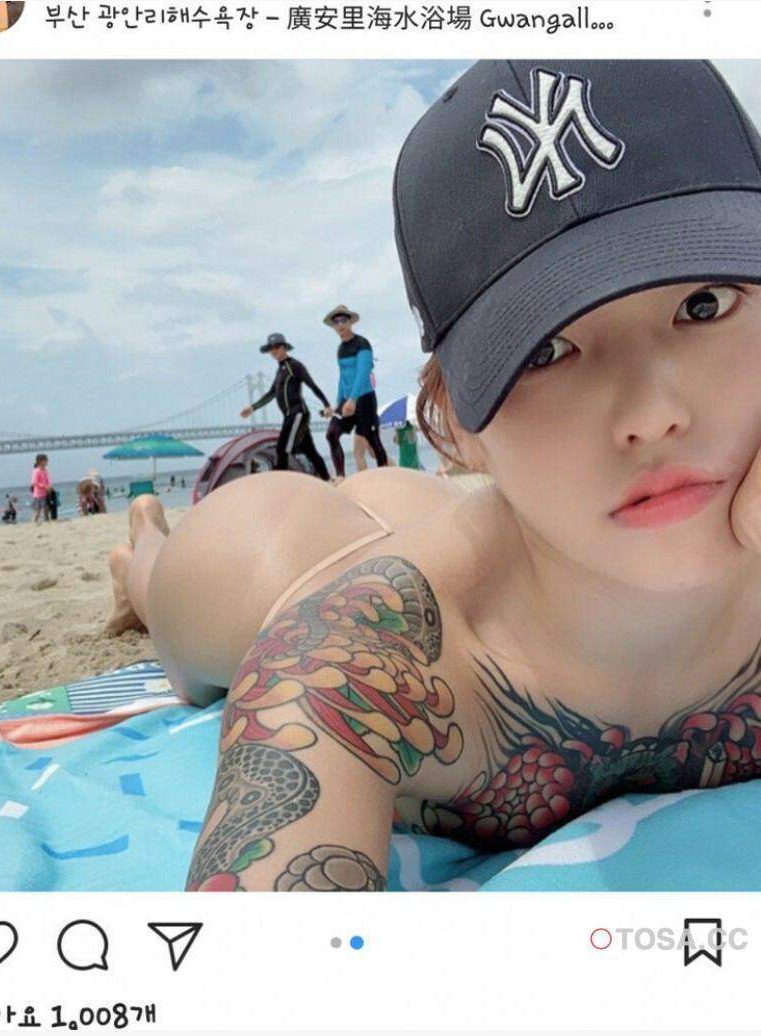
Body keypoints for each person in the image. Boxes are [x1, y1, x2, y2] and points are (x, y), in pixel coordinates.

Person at [105, 61, 761, 892]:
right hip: (279, 553)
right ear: (455, 427)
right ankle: (141, 550)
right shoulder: (349, 659)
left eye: (705, 304)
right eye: (546, 349)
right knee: (183, 599)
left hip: (478, 519)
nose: (652, 412)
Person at [240, 332, 331, 481]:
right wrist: (252, 408)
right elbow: (272, 393)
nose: (274, 350)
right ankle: (328, 480)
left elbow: (312, 385)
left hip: (297, 414)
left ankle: (280, 483)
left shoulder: (294, 365)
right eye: (271, 348)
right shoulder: (280, 370)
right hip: (290, 416)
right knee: (309, 450)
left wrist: (326, 404)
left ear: (284, 347)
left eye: (277, 346)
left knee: (282, 449)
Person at [323, 305, 388, 480]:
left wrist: (353, 399)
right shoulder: (340, 349)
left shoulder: (362, 343)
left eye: (343, 320)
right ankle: (340, 477)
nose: (340, 324)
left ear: (350, 321)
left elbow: (363, 372)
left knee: (372, 439)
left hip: (364, 399)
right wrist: (338, 403)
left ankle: (386, 475)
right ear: (333, 326)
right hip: (346, 400)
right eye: (336, 322)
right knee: (331, 434)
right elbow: (342, 377)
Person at [30, 453, 51, 524]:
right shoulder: (36, 471)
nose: (47, 462)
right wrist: (44, 486)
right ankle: (34, 523)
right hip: (38, 495)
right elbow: (35, 482)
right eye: (45, 460)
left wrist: (49, 486)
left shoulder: (45, 470)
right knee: (37, 512)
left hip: (46, 493)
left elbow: (48, 480)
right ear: (40, 461)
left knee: (46, 510)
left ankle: (48, 522)